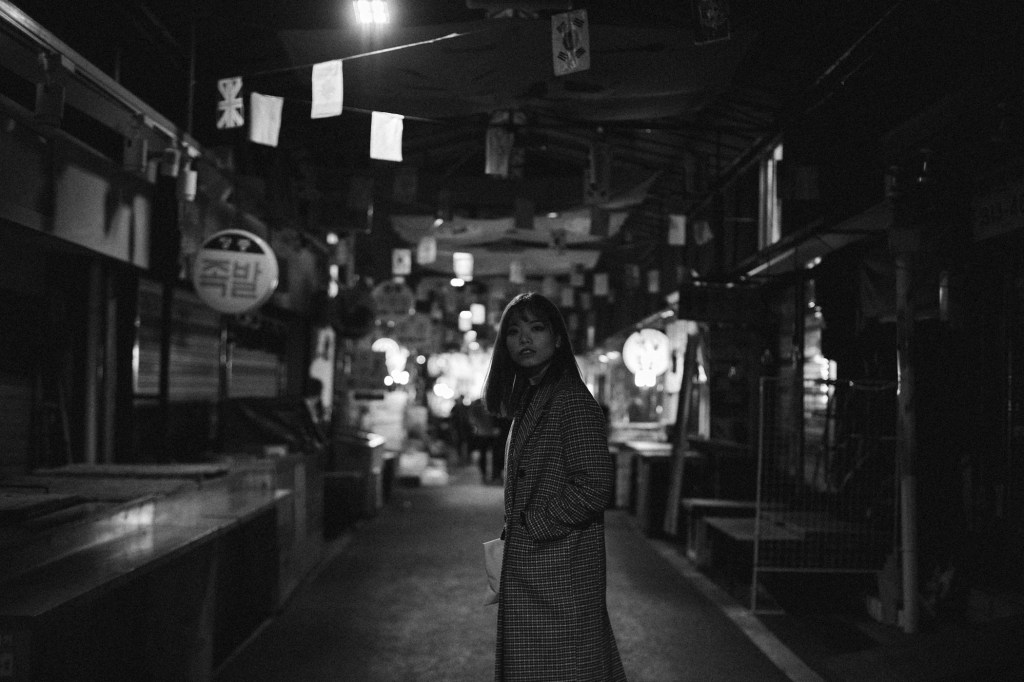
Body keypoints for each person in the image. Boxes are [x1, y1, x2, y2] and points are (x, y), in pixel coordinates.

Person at [482, 292, 626, 681]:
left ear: (558, 338)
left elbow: (594, 486)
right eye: (514, 332)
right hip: (539, 572)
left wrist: (531, 526)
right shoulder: (534, 397)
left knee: (564, 670)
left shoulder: (571, 401)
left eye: (536, 328)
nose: (524, 339)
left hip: (559, 573)